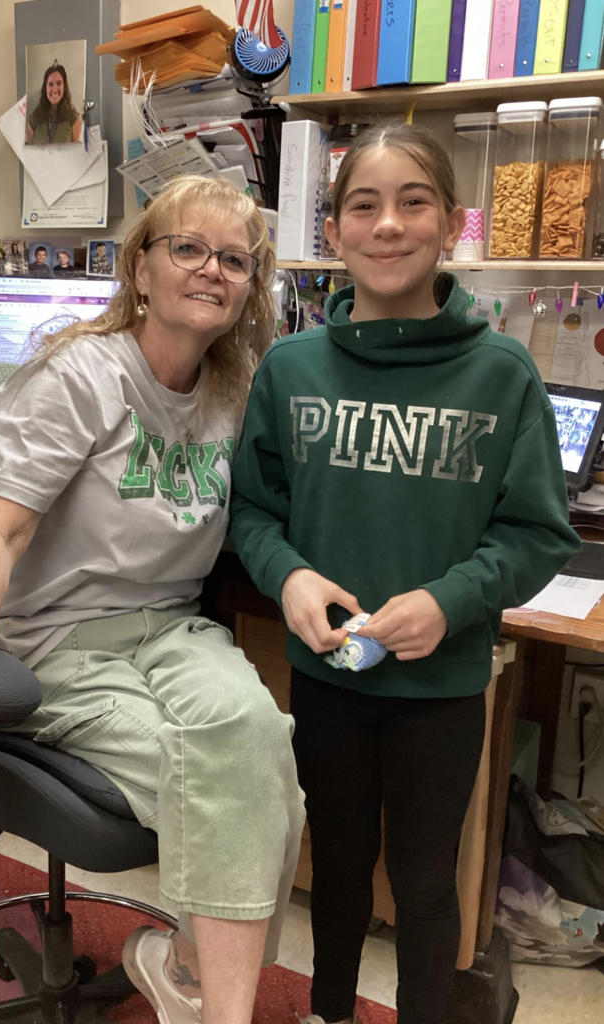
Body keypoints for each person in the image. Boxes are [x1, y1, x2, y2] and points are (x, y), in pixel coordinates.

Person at [0, 175, 305, 1024]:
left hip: (172, 631)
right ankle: (210, 1000)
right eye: (187, 249)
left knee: (262, 744)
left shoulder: (234, 390)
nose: (211, 270)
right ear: (141, 270)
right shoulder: (81, 375)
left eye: (233, 259)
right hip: (59, 642)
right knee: (224, 778)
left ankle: (190, 972)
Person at [229, 122, 580, 1024]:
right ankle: (330, 1011)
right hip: (327, 678)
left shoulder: (500, 373)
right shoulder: (289, 367)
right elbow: (253, 511)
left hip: (442, 687)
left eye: (412, 202)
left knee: (425, 883)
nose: (388, 225)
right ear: (335, 231)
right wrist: (290, 578)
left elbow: (538, 533)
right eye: (363, 205)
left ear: (452, 224)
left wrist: (449, 599)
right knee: (337, 865)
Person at [26, 61, 81, 145]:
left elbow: (74, 154)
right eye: (50, 84)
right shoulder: (35, 118)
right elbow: (29, 153)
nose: (54, 89)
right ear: (45, 88)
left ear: (64, 86)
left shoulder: (73, 118)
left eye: (59, 83)